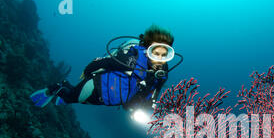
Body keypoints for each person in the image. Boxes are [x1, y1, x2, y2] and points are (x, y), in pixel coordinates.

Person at [30, 25, 179, 114]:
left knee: (75, 99)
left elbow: (152, 95)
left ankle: (66, 92)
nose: (159, 59)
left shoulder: (161, 75)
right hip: (95, 87)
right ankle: (57, 88)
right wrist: (88, 71)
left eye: (164, 55)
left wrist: (142, 106)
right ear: (147, 50)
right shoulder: (131, 59)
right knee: (71, 98)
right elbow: (104, 62)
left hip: (109, 99)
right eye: (155, 53)